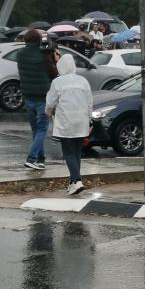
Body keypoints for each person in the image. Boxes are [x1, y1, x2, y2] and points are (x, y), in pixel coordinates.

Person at [46, 54, 93, 195]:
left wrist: (48, 111)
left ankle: (77, 180)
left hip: (66, 121)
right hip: (82, 121)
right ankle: (73, 182)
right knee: (77, 152)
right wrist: (89, 117)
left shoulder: (57, 82)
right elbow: (89, 102)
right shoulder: (83, 81)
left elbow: (50, 102)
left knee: (68, 152)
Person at [18, 29, 57, 170]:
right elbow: (53, 72)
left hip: (28, 96)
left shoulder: (20, 54)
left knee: (36, 130)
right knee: (42, 129)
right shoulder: (44, 54)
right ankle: (31, 158)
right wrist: (49, 52)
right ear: (38, 40)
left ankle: (40, 160)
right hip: (43, 97)